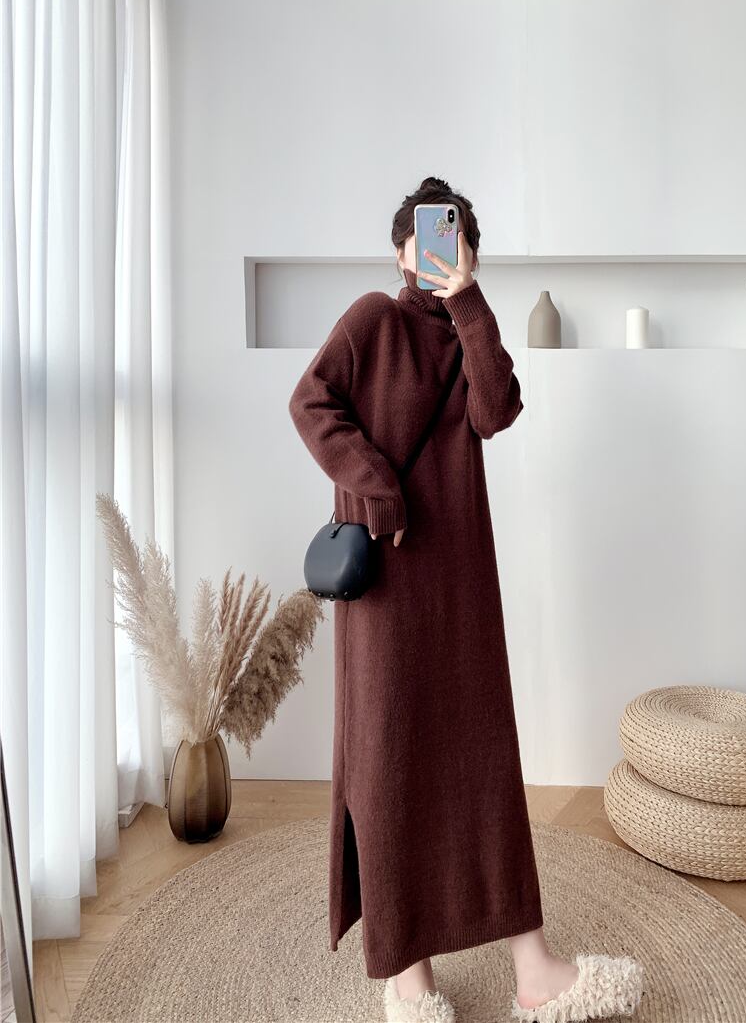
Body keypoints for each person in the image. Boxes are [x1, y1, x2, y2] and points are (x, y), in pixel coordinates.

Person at [288, 177, 645, 1023]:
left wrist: (469, 302)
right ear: (401, 251)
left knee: (482, 760)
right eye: (427, 234)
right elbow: (310, 401)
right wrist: (375, 487)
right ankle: (408, 975)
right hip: (385, 590)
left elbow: (498, 409)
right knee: (389, 763)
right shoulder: (371, 320)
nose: (441, 247)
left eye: (456, 236)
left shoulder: (465, 332)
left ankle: (534, 969)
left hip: (461, 587)